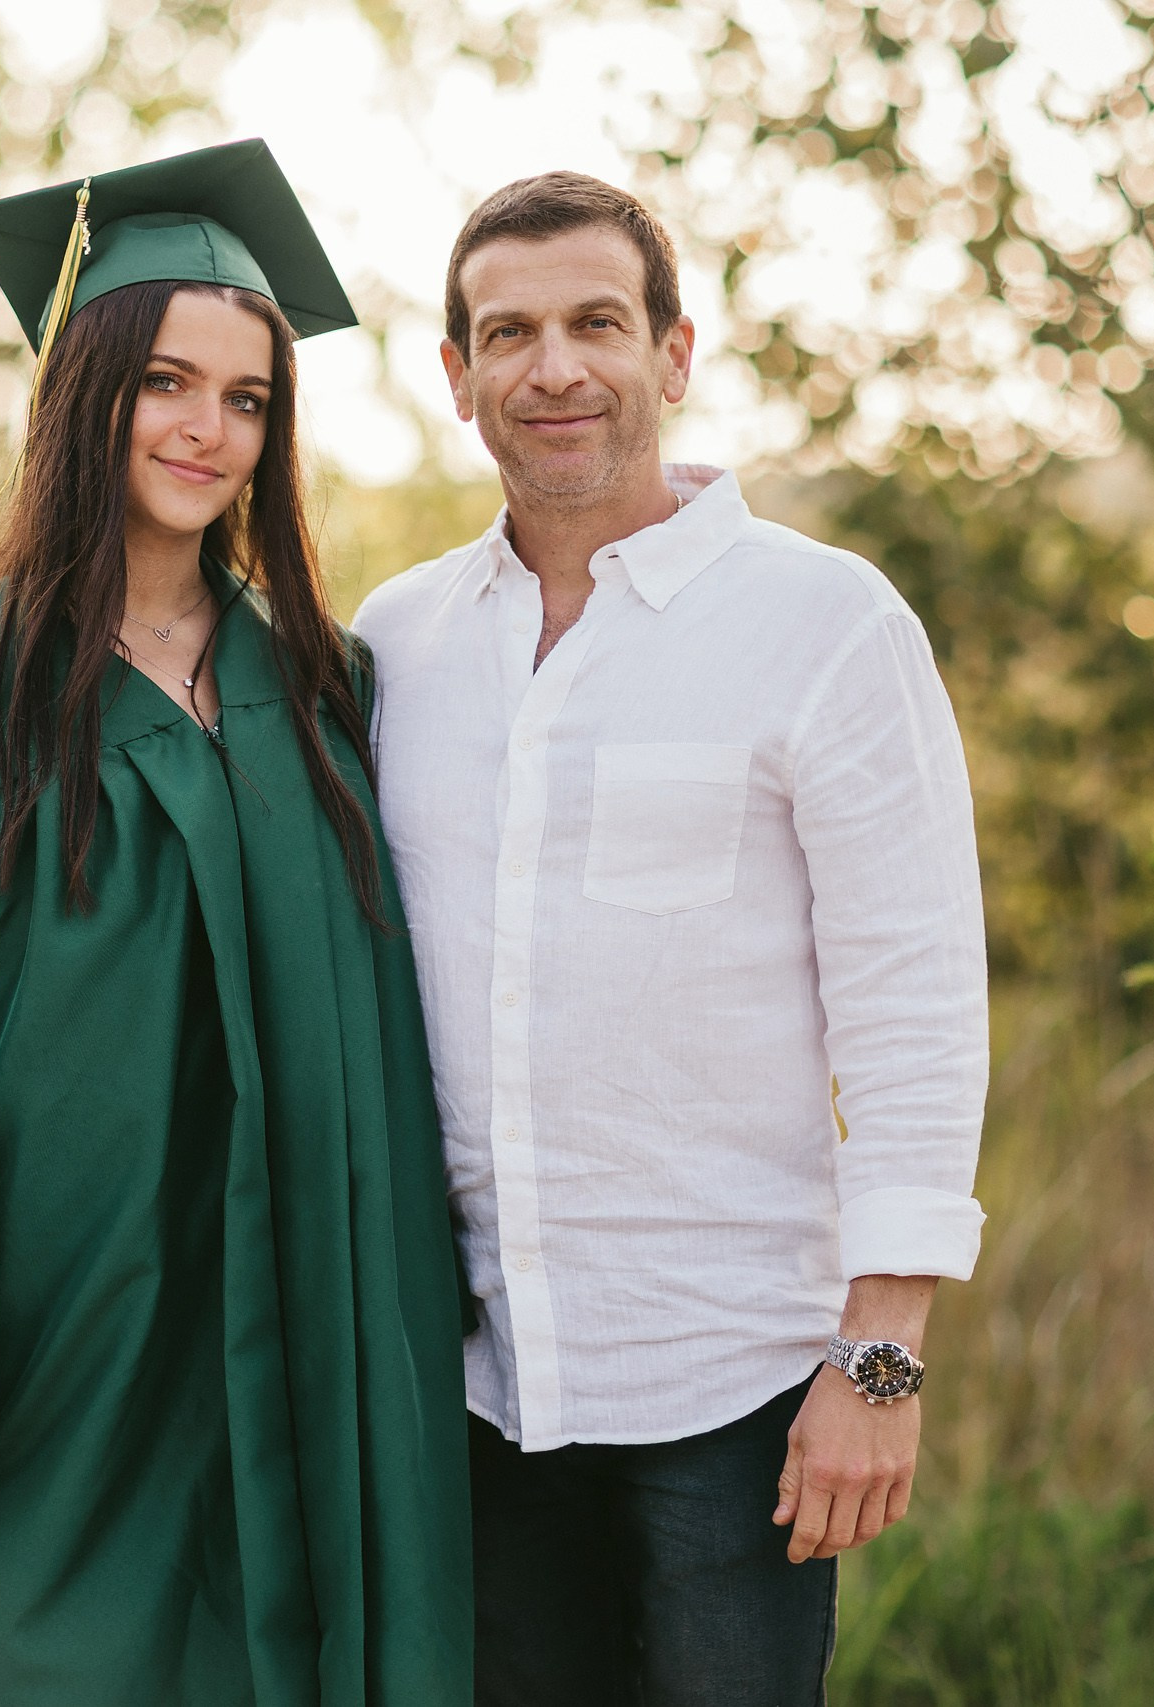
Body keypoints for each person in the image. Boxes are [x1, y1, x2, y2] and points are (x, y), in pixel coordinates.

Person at [0, 140, 472, 1707]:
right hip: (67, 1329)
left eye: (250, 397)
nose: (210, 428)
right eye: (167, 383)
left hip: (311, 1311)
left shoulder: (323, 684)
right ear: (86, 396)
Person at [353, 172, 989, 1706]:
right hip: (478, 1396)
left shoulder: (829, 625)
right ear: (457, 379)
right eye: (509, 333)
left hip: (739, 1397)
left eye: (596, 323)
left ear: (675, 354)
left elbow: (914, 1001)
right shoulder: (395, 646)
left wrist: (880, 1363)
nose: (553, 368)